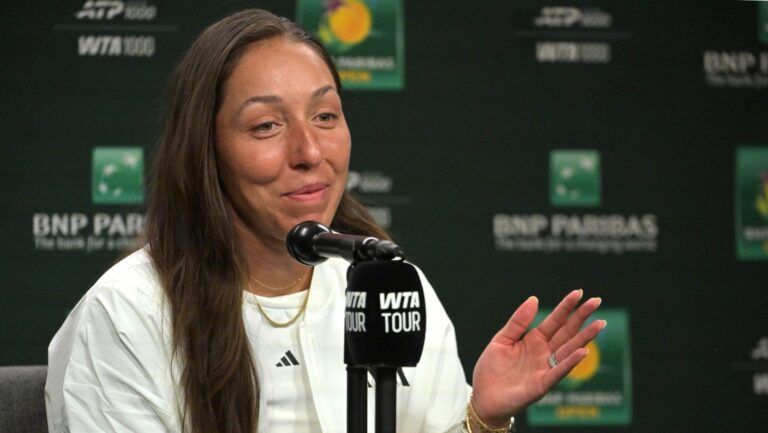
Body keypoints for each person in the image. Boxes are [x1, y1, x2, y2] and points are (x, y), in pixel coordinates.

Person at [45, 9, 605, 433]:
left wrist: (480, 416)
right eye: (267, 126)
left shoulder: (383, 280)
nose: (310, 151)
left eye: (325, 115)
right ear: (204, 150)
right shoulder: (126, 314)